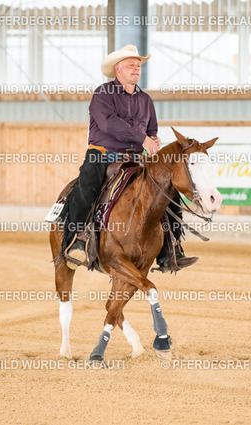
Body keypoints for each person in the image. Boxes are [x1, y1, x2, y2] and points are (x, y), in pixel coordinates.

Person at [61, 44, 197, 271]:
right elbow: (109, 124)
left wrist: (152, 140)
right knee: (87, 187)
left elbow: (151, 129)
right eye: (131, 65)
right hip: (102, 155)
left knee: (167, 190)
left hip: (134, 159)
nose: (136, 69)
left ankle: (171, 248)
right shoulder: (103, 94)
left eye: (138, 66)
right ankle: (77, 240)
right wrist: (142, 138)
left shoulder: (146, 100)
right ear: (118, 69)